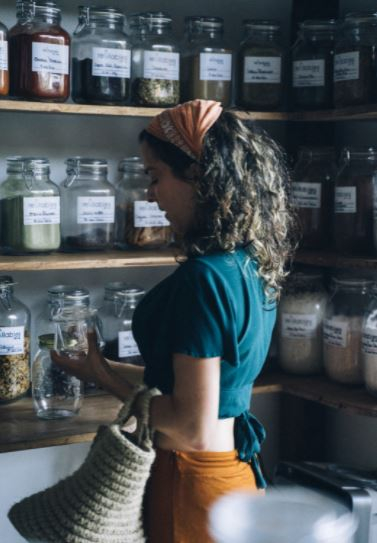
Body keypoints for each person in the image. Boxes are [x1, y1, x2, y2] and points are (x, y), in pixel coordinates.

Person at [52, 99, 295, 543]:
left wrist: (109, 382)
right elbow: (201, 387)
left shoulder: (201, 280)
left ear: (199, 177)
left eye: (154, 176)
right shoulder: (248, 264)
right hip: (233, 475)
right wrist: (98, 369)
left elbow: (189, 423)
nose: (149, 195)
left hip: (190, 483)